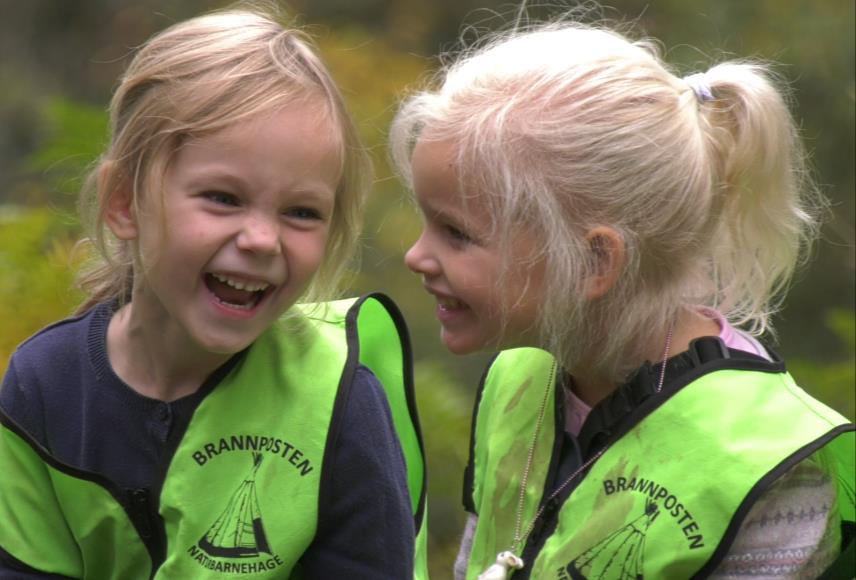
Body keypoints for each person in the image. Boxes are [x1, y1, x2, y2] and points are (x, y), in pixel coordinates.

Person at [391, 15, 854, 580]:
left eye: (456, 233)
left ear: (593, 262)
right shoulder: (519, 378)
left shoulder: (764, 462)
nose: (416, 255)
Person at [0, 6, 428, 579]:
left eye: (302, 212)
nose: (261, 239)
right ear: (124, 202)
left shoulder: (340, 402)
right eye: (223, 198)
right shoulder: (43, 386)